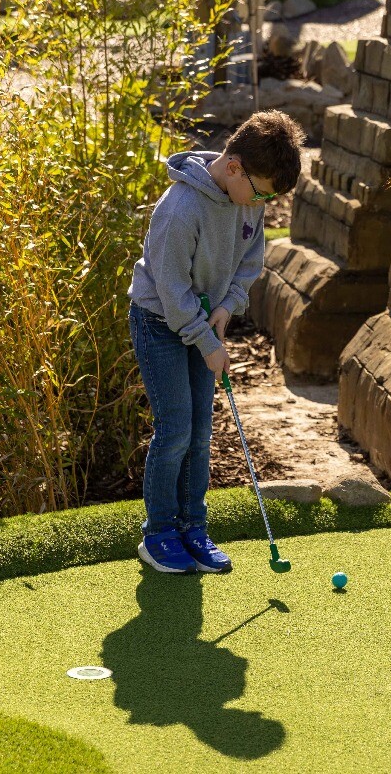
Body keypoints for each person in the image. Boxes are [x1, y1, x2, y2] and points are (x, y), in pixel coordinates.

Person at [128, 110, 306, 574]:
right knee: (176, 430)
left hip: (204, 320)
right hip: (160, 321)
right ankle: (159, 534)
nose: (261, 203)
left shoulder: (248, 199)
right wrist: (208, 342)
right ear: (234, 168)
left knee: (202, 436)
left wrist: (227, 307)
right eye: (262, 192)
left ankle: (193, 529)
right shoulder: (181, 209)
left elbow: (249, 260)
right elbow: (171, 291)